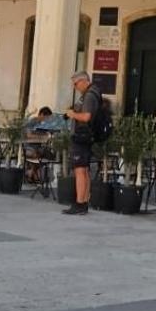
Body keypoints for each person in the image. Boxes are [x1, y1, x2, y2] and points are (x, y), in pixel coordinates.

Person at [62, 70, 100, 216]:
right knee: (83, 170)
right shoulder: (91, 93)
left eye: (76, 83)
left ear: (84, 81)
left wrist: (73, 114)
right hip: (85, 137)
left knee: (79, 170)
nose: (75, 87)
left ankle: (80, 203)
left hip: (82, 137)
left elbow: (86, 117)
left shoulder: (89, 95)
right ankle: (83, 202)